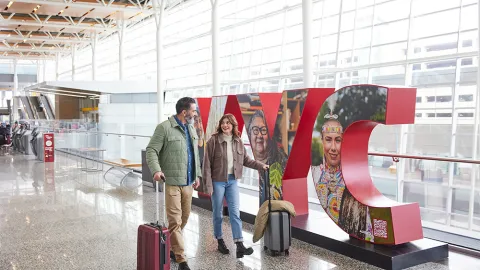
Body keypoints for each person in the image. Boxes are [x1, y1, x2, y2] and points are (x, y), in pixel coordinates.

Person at [146, 97, 202, 270]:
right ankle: (181, 259)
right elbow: (152, 150)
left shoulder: (191, 128)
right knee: (175, 220)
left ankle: (171, 246)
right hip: (171, 181)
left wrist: (197, 175)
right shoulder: (164, 128)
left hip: (188, 182)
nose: (195, 113)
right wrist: (156, 170)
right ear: (184, 112)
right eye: (193, 110)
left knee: (184, 218)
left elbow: (195, 154)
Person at [203, 113, 268, 258]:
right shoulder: (213, 141)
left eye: (228, 123)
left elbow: (246, 160)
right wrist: (208, 185)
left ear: (233, 125)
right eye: (223, 123)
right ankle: (220, 240)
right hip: (217, 181)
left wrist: (260, 166)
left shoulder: (238, 141)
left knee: (235, 213)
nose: (225, 125)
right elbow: (206, 165)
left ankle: (239, 245)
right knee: (217, 213)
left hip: (232, 181)